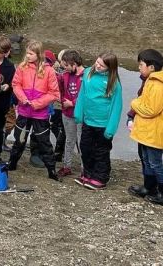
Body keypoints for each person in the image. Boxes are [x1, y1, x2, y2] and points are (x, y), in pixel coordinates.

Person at [8, 40, 61, 181]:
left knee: (44, 142)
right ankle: (12, 163)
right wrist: (23, 98)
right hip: (24, 111)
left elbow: (54, 93)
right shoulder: (22, 67)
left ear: (38, 54)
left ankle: (52, 170)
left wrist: (37, 103)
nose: (28, 56)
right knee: (19, 140)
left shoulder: (49, 71)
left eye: (31, 54)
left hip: (40, 113)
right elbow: (16, 84)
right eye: (27, 53)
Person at [74, 52, 122, 190]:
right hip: (88, 121)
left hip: (103, 124)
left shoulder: (114, 83)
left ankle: (100, 177)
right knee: (86, 148)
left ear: (109, 68)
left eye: (102, 65)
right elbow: (82, 93)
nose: (98, 66)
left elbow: (116, 106)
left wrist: (111, 129)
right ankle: (88, 173)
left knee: (101, 151)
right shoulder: (88, 73)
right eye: (97, 62)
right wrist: (78, 112)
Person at [128, 49, 163, 204]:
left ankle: (161, 192)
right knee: (146, 160)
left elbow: (150, 109)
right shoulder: (150, 80)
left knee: (155, 163)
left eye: (141, 64)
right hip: (147, 132)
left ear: (152, 67)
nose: (139, 67)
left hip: (154, 133)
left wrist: (134, 103)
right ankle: (149, 187)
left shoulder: (157, 85)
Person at [57, 49, 84, 177]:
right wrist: (63, 101)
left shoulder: (86, 76)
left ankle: (85, 169)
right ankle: (67, 166)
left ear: (74, 63)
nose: (65, 68)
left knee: (81, 142)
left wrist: (72, 103)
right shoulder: (65, 75)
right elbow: (60, 91)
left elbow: (86, 96)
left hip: (80, 115)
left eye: (67, 66)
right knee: (69, 140)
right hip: (67, 113)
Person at [0, 35, 15, 160]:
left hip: (1, 103)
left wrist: (7, 86)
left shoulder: (9, 67)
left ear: (5, 53)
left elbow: (13, 83)